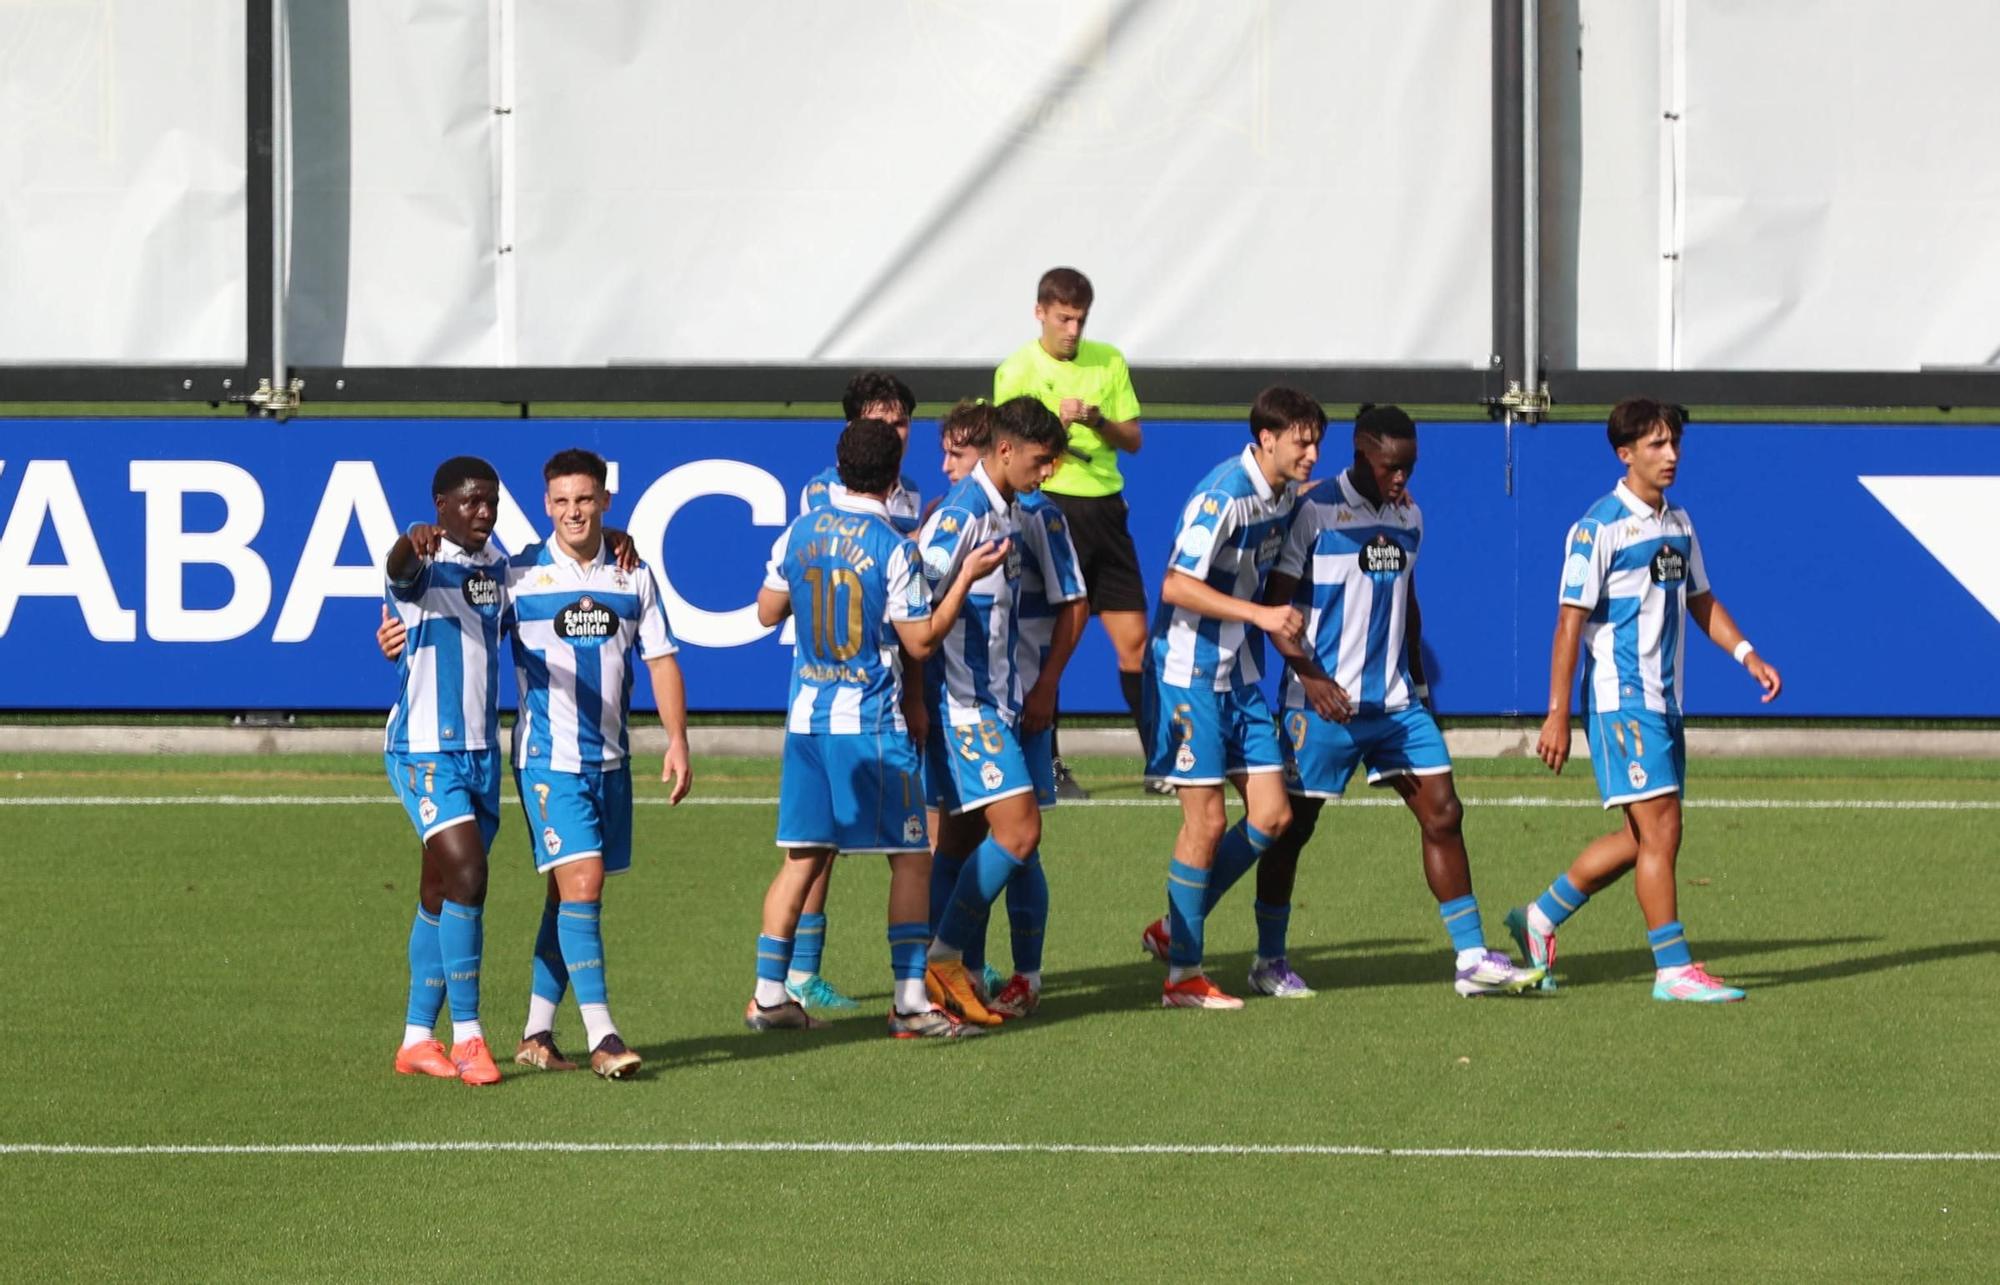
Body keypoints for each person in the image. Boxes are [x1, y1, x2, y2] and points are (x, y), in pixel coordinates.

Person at [1253, 406, 1544, 999]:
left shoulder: (1410, 515)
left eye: (1408, 467)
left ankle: (1471, 959)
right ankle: (1268, 960)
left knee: (1444, 813)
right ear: (1361, 454)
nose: (1401, 478)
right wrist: (1309, 677)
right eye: (1390, 467)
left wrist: (1421, 685)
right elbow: (1275, 608)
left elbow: (1408, 603)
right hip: (1322, 704)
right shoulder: (1314, 510)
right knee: (1292, 830)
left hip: (1396, 706)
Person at [1505, 399, 1782, 1003]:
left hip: (1665, 701)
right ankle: (1673, 969)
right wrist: (1556, 715)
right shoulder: (1598, 527)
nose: (1671, 455)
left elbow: (1701, 599)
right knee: (1663, 829)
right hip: (1621, 700)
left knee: (1642, 839)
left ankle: (1539, 917)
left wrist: (1747, 655)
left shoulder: (1678, 522)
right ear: (1624, 453)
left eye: (1674, 443)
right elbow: (1568, 623)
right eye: (1657, 444)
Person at [744, 417, 1006, 1038]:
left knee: (802, 858)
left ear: (839, 469)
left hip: (806, 721)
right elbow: (920, 641)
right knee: (913, 858)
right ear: (893, 480)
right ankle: (910, 1002)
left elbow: (766, 610)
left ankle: (768, 995)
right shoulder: (893, 546)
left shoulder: (801, 531)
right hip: (869, 723)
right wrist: (964, 579)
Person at [507, 448, 692, 1076]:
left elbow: (660, 660)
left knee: (568, 894)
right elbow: (461, 628)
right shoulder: (519, 576)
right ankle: (603, 1036)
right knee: (583, 884)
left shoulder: (632, 574)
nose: (573, 512)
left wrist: (677, 739)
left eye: (584, 499)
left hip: (611, 762)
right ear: (545, 505)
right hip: (547, 760)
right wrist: (397, 637)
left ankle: (536, 1033)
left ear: (606, 501)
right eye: (561, 501)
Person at [1136, 386, 1317, 1010]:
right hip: (1188, 673)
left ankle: (1173, 927)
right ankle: (1183, 975)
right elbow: (1175, 585)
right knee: (1207, 822)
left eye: (1316, 442)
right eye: (1302, 442)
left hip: (1237, 675)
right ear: (1267, 439)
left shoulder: (1283, 493)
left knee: (1273, 816)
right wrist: (1262, 615)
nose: (1312, 454)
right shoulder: (1223, 496)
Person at [916, 396, 1069, 1027]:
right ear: (1005, 450)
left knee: (961, 840)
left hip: (994, 703)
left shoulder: (1008, 510)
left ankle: (945, 980)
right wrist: (914, 699)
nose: (1046, 473)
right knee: (1020, 832)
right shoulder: (963, 515)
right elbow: (911, 607)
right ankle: (942, 958)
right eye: (1040, 460)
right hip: (964, 706)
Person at [782, 372, 924, 1012]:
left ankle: (936, 961)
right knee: (823, 845)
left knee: (869, 836)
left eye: (901, 421)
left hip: (890, 679)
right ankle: (805, 971)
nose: (894, 430)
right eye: (880, 420)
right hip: (841, 682)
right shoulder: (824, 491)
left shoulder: (911, 491)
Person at [952, 404, 1089, 1019]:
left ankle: (1023, 975)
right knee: (966, 842)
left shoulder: (1037, 515)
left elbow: (1075, 603)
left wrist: (1046, 687)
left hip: (1021, 701)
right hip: (973, 702)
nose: (948, 465)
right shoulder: (966, 512)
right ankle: (965, 970)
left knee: (1020, 841)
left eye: (957, 453)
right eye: (946, 453)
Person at [994, 267, 1146, 798]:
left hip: (1106, 511)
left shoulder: (1109, 360)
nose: (1073, 330)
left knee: (1135, 642)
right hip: (1048, 509)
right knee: (1049, 641)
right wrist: (1058, 424)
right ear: (1040, 313)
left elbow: (1133, 440)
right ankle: (1050, 763)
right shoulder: (1016, 369)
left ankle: (1166, 765)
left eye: (1080, 319)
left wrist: (1097, 420)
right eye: (1063, 319)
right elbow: (1007, 447)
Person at [382, 456, 509, 1085]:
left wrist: (611, 539)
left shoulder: (499, 564)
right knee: (469, 875)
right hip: (425, 748)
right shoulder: (425, 562)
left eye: (491, 501)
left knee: (439, 891)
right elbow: (398, 571)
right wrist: (410, 541)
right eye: (470, 501)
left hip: (483, 751)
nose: (483, 512)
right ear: (440, 505)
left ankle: (414, 1040)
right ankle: (469, 1037)